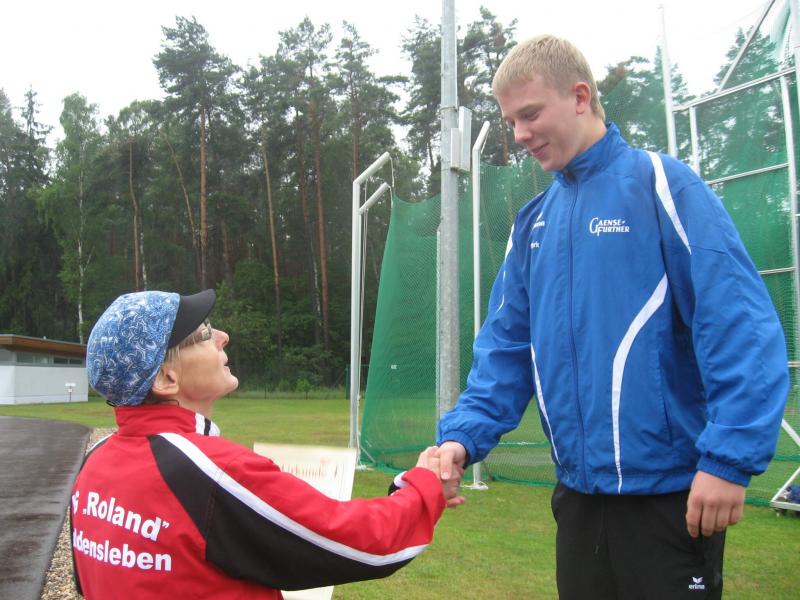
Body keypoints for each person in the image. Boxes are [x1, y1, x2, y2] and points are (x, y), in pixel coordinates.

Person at [435, 34, 789, 599]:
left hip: (670, 498)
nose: (520, 134)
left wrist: (727, 460)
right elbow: (504, 352)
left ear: (580, 97)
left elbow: (738, 326)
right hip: (577, 499)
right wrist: (461, 439)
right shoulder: (534, 223)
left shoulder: (663, 185)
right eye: (511, 121)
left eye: (531, 114)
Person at [72, 289, 463, 599]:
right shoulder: (208, 471)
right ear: (166, 379)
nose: (222, 337)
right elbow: (359, 542)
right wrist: (423, 486)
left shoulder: (94, 463)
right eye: (205, 334)